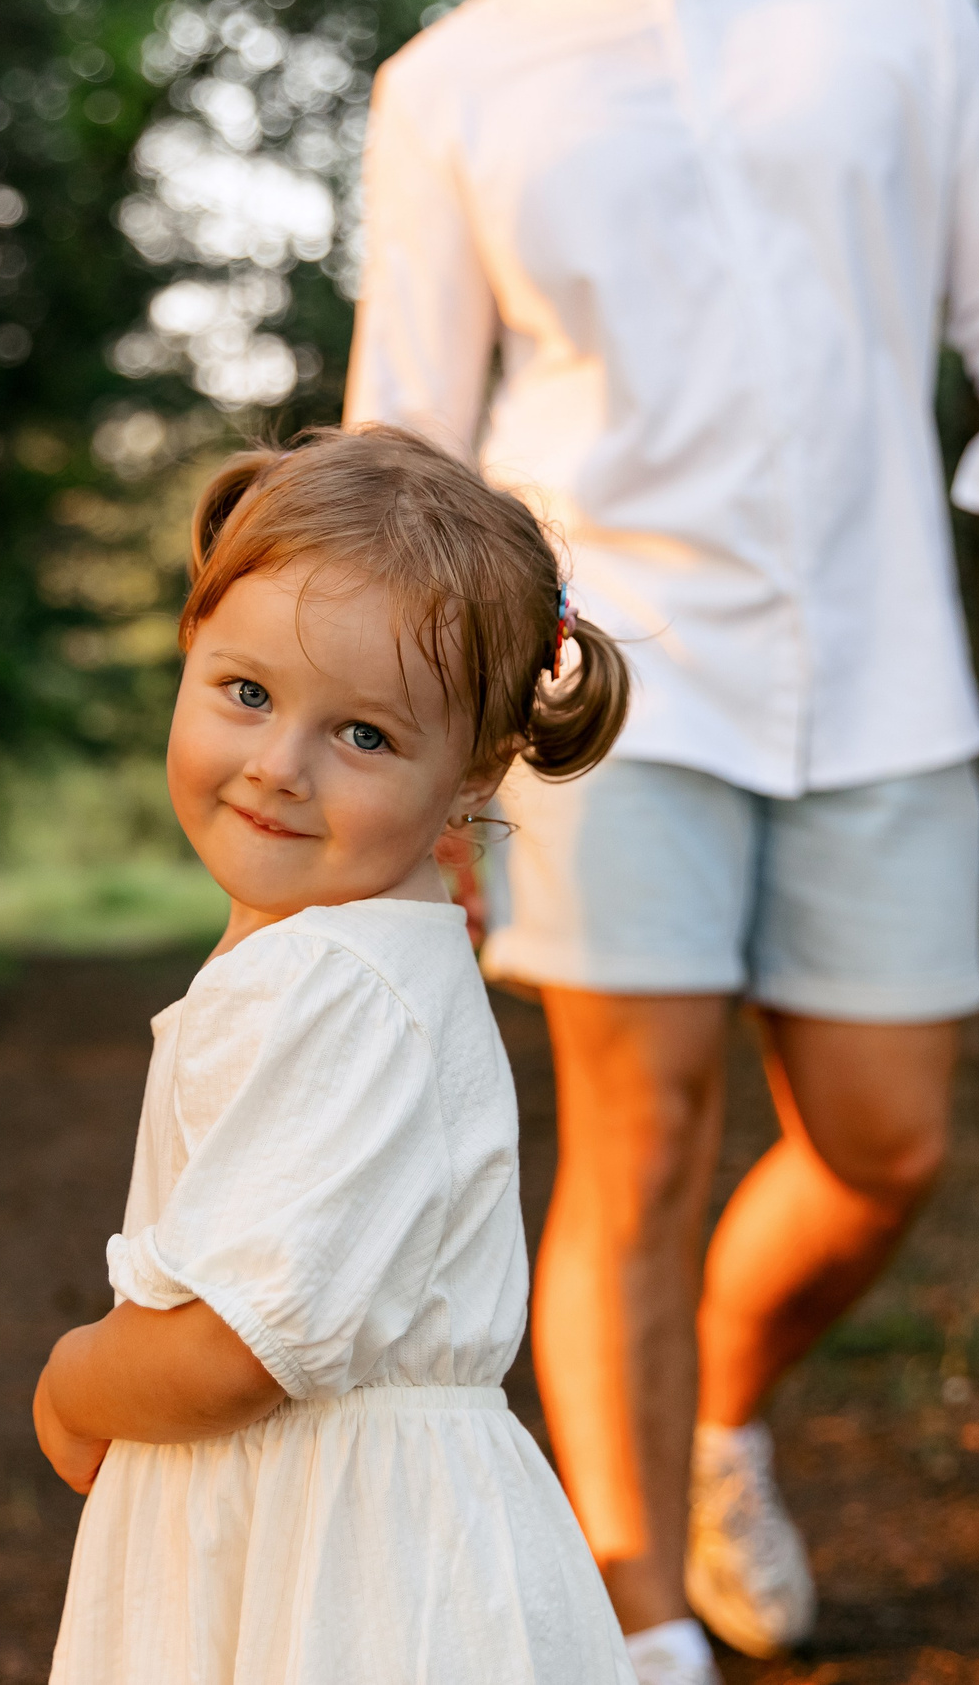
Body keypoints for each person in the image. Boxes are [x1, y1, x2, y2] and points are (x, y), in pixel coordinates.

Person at [344, 0, 979, 1679]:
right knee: (639, 1134)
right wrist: (416, 746)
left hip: (881, 670)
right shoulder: (452, 80)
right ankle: (636, 1617)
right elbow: (409, 441)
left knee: (887, 1142)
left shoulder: (905, 15)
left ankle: (720, 1418)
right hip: (597, 680)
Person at [33, 426, 637, 1684]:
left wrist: (77, 1380)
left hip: (346, 1576)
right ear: (191, 650)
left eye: (362, 735)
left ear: (472, 770)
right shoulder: (350, 959)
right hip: (329, 1535)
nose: (278, 768)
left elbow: (235, 1350)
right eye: (246, 694)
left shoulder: (341, 985)